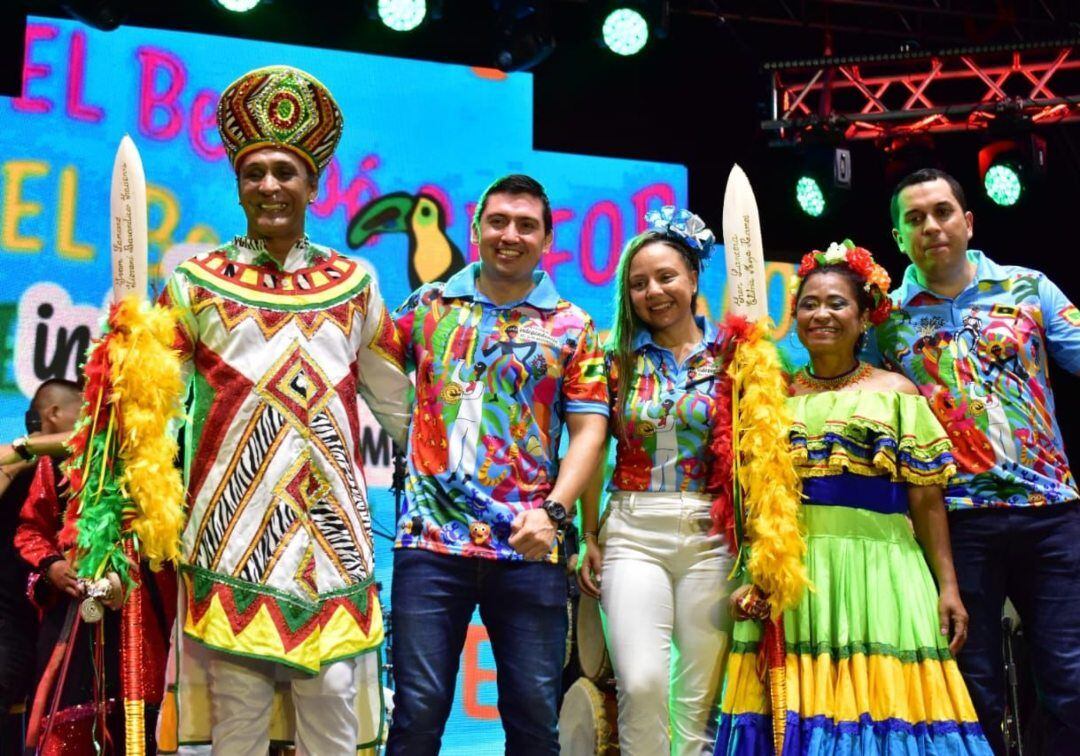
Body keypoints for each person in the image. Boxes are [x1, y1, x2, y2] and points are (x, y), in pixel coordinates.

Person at [157, 65, 412, 755]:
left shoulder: (354, 284)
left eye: (285, 172)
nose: (269, 185)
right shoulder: (195, 283)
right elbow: (154, 407)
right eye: (254, 173)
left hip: (331, 536)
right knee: (237, 719)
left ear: (313, 184)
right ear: (238, 185)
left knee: (332, 710)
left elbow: (401, 407)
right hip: (229, 534)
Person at [718, 241, 992, 754]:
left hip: (881, 572)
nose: (821, 314)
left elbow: (927, 502)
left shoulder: (896, 393)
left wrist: (948, 587)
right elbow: (762, 503)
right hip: (798, 579)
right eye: (809, 304)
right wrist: (755, 576)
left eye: (837, 303)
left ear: (865, 317)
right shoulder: (773, 398)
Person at [388, 173, 609, 755]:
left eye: (526, 225)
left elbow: (590, 432)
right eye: (498, 222)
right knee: (415, 716)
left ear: (547, 238)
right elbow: (365, 367)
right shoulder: (428, 306)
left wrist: (554, 514)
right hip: (430, 544)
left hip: (529, 546)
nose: (510, 235)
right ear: (475, 228)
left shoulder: (573, 326)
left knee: (535, 723)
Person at [877, 167, 1080, 752]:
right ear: (899, 238)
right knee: (973, 687)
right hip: (953, 523)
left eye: (942, 212)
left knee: (1070, 678)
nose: (931, 226)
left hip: (1050, 512)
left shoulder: (1029, 288)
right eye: (914, 219)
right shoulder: (884, 322)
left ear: (967, 222)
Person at [577, 207, 736, 755]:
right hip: (632, 531)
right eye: (639, 283)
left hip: (711, 536)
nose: (654, 292)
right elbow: (592, 449)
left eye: (666, 277)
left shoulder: (735, 358)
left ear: (692, 277)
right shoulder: (612, 360)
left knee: (697, 702)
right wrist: (589, 533)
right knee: (642, 684)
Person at [0, 380, 80, 751]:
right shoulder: (18, 460)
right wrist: (21, 455)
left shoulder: (81, 466)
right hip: (8, 625)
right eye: (83, 409)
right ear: (54, 413)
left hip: (42, 625)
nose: (91, 419)